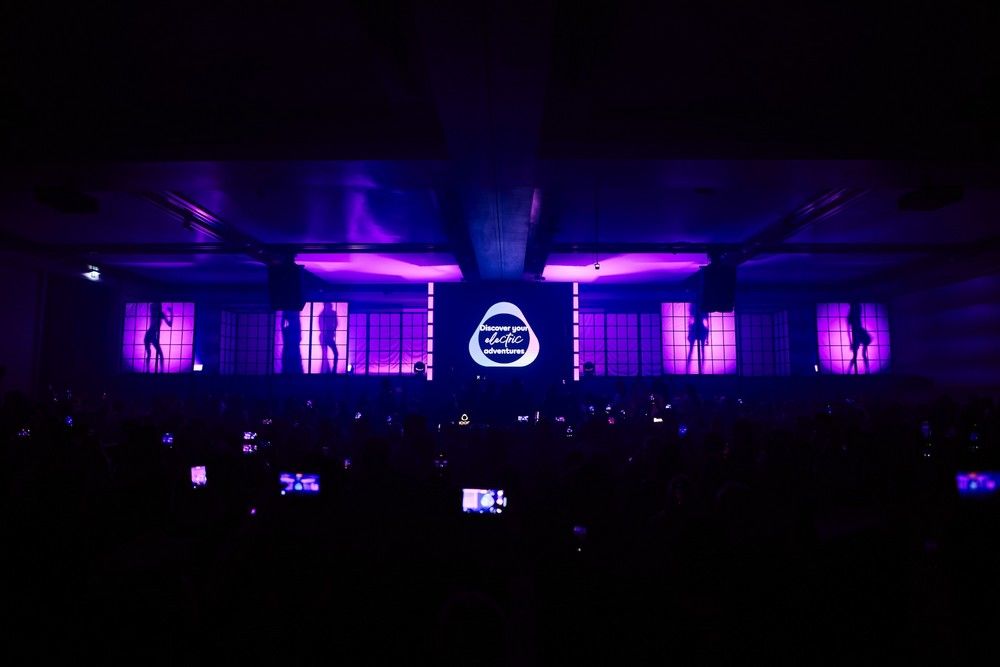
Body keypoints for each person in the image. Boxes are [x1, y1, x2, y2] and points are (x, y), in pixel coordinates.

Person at [144, 302, 173, 373]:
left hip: (149, 335)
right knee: (152, 353)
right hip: (150, 335)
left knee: (150, 354)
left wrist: (171, 313)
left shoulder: (157, 313)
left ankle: (157, 371)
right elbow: (170, 324)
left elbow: (170, 324)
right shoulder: (156, 313)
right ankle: (154, 371)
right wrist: (171, 313)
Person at [846, 302, 872, 375]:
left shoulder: (855, 313)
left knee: (862, 354)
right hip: (857, 334)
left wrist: (851, 342)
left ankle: (867, 371)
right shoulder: (852, 315)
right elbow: (848, 330)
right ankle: (849, 372)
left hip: (860, 333)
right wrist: (851, 342)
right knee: (856, 355)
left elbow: (848, 330)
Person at [686, 303, 709, 374]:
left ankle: (700, 369)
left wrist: (689, 332)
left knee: (696, 350)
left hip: (697, 328)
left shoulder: (695, 306)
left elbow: (689, 321)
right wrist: (707, 337)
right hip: (699, 329)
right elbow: (707, 323)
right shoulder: (703, 307)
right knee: (699, 350)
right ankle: (690, 368)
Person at [319, 303, 339, 374]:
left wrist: (332, 330)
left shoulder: (332, 313)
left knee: (335, 353)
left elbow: (336, 323)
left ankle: (332, 371)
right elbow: (321, 327)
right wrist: (330, 330)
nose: (330, 307)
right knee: (325, 355)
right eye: (329, 306)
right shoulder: (322, 315)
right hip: (324, 337)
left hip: (328, 336)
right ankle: (326, 371)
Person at [281, 309, 303, 374]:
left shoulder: (287, 328)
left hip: (292, 342)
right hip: (291, 343)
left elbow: (283, 322)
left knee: (291, 360)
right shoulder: (288, 328)